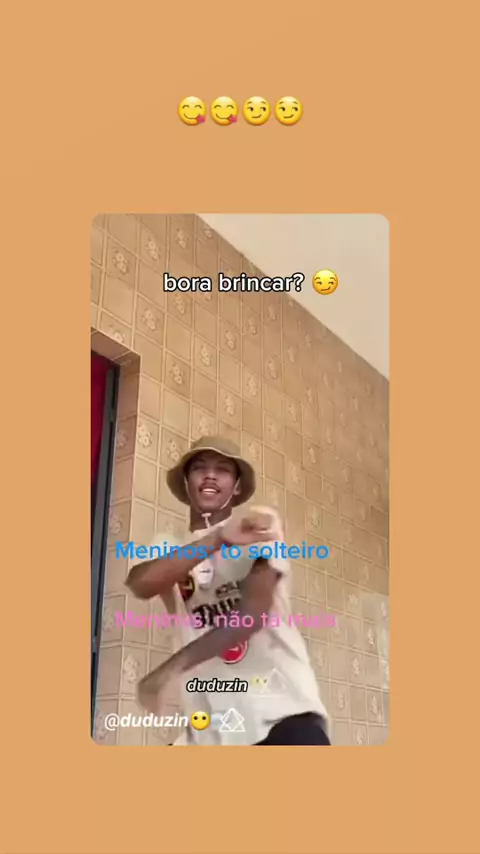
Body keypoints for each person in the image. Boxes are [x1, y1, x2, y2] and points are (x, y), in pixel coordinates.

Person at [126, 436, 330, 746]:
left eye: (222, 469)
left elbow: (251, 616)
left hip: (283, 717)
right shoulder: (168, 545)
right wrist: (218, 538)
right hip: (212, 734)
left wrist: (168, 671)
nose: (210, 475)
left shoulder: (258, 528)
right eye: (199, 468)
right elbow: (141, 583)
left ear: (236, 487)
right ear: (187, 482)